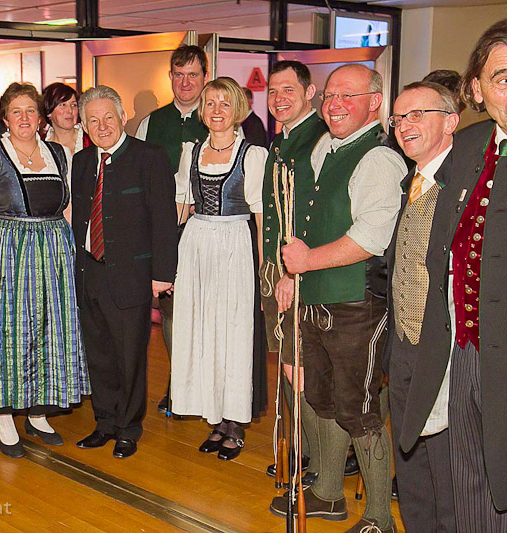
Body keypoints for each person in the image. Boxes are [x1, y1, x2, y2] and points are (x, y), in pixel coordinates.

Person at [269, 64, 406, 533]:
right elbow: (307, 221)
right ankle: (327, 494)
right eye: (330, 95)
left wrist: (306, 261)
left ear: (375, 102)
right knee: (322, 399)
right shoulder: (325, 147)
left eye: (348, 96)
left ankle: (379, 519)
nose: (335, 104)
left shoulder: (380, 158)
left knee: (359, 409)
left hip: (357, 303)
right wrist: (292, 273)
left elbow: (370, 238)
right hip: (314, 296)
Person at [0, 82, 89, 458]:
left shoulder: (59, 153)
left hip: (53, 251)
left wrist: (73, 256)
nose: (24, 118)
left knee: (50, 330)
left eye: (30, 111)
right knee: (7, 333)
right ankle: (4, 414)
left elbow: (67, 211)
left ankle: (37, 412)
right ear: (5, 117)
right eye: (16, 111)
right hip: (6, 252)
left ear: (41, 117)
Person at [416, 19, 507, 530]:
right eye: (503, 78)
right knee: (470, 480)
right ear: (475, 88)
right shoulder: (468, 147)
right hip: (465, 352)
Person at [73, 85, 178, 459]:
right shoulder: (82, 162)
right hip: (90, 272)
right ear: (85, 125)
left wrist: (163, 273)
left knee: (130, 356)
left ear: (122, 118)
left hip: (133, 277)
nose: (102, 126)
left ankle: (128, 429)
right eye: (93, 120)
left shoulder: (150, 157)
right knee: (98, 353)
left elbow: (164, 219)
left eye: (108, 118)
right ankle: (104, 423)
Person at [170, 77, 267, 460]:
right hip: (197, 243)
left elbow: (260, 215)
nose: (216, 111)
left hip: (234, 244)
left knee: (232, 332)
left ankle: (234, 423)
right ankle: (214, 417)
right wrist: (172, 257)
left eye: (224, 104)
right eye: (210, 104)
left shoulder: (252, 154)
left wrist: (264, 271)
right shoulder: (191, 151)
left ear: (237, 109)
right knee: (202, 328)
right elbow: (182, 204)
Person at [386, 81, 459, 533]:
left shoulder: (464, 186)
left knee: (448, 466)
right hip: (405, 343)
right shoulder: (409, 183)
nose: (404, 126)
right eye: (398, 118)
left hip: (446, 347)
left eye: (417, 115)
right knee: (410, 459)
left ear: (451, 121)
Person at [259, 60, 327, 486]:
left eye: (288, 89)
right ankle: (302, 456)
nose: (279, 98)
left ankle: (318, 464)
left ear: (309, 92)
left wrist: (291, 273)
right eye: (273, 91)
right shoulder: (280, 142)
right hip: (274, 271)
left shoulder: (317, 140)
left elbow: (310, 216)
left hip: (295, 273)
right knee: (288, 366)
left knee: (299, 368)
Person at [135, 45, 209, 412]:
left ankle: (206, 388)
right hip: (168, 231)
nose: (185, 82)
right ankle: (178, 385)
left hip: (210, 229)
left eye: (192, 75)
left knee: (207, 312)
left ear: (204, 78)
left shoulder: (218, 117)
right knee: (171, 313)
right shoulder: (152, 123)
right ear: (170, 78)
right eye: (178, 75)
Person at [42, 82, 90, 154]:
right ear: (49, 111)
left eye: (73, 105)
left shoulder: (90, 140)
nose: (70, 110)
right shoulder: (41, 145)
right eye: (63, 105)